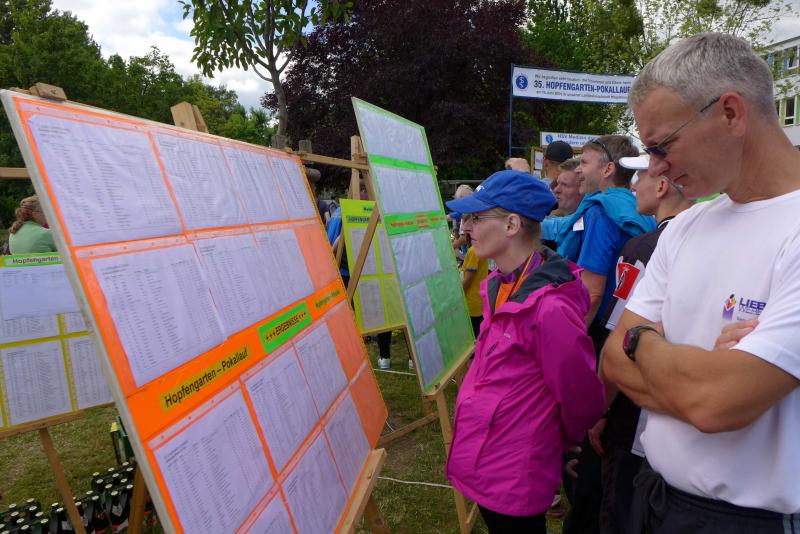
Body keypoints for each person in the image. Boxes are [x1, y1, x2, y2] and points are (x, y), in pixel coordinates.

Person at [602, 32, 800, 533]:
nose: (655, 167)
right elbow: (612, 362)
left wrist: (641, 340)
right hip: (653, 498)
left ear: (730, 113)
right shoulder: (685, 227)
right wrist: (699, 372)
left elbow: (715, 402)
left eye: (662, 145)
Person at [444, 170, 604, 533]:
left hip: (515, 470)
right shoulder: (498, 286)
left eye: (476, 217)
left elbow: (579, 394)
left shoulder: (550, 308)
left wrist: (563, 442)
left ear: (512, 224)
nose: (465, 226)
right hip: (490, 458)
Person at [547, 135, 654, 534]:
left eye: (586, 162)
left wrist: (567, 348)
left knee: (589, 448)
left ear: (608, 169)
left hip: (597, 337)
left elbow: (591, 292)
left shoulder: (600, 213)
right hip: (628, 333)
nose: (578, 170)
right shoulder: (637, 211)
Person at [588, 155, 693, 534]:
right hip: (686, 426)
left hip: (635, 420)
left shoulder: (643, 248)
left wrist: (599, 409)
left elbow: (619, 340)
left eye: (639, 177)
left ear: (662, 185)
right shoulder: (716, 242)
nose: (632, 186)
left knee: (620, 515)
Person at [459, 236, 489, 337]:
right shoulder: (481, 247)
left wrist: (458, 295)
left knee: (472, 336)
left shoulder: (473, 251)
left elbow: (468, 280)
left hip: (471, 302)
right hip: (479, 300)